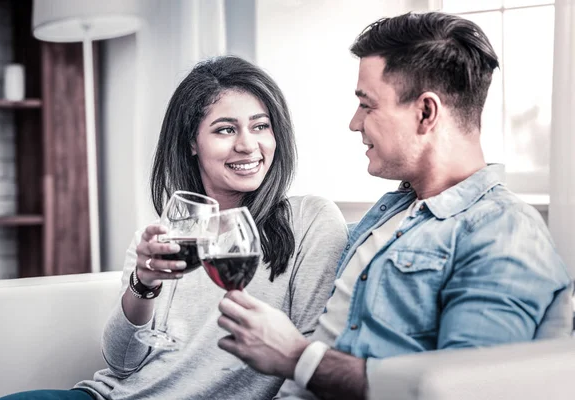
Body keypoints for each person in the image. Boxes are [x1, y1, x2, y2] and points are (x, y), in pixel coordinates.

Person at [216, 11, 573, 400]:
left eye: (367, 106)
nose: (355, 123)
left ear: (425, 113)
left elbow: (465, 391)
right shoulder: (396, 209)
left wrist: (297, 357)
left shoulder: (504, 232)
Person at [0, 56, 348, 399]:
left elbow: (308, 361)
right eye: (225, 129)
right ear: (192, 143)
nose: (247, 144)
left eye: (260, 126)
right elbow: (121, 364)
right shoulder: (163, 236)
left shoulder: (310, 221)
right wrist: (144, 282)